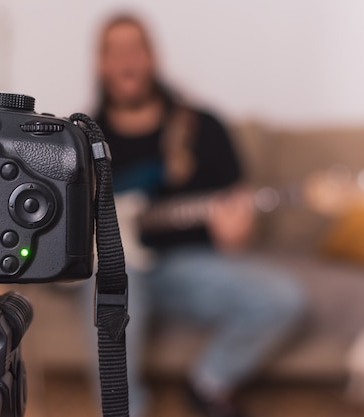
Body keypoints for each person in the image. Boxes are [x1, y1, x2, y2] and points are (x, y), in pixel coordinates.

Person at [92, 15, 306, 417]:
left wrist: (236, 233)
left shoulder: (203, 127)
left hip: (185, 268)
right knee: (115, 283)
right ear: (101, 63)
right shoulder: (84, 137)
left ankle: (210, 380)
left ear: (153, 57)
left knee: (284, 298)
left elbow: (238, 216)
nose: (127, 59)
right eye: (114, 50)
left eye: (135, 48)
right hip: (113, 267)